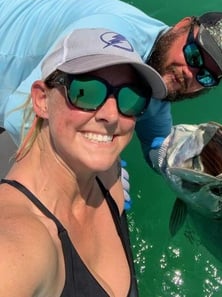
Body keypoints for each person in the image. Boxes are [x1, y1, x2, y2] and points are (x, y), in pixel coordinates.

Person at [0, 27, 167, 297]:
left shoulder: (106, 172)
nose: (112, 116)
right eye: (86, 91)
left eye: (131, 98)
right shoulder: (17, 246)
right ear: (42, 99)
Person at [0, 0, 222, 166]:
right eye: (194, 54)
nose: (191, 73)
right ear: (182, 26)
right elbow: (18, 118)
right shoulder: (111, 34)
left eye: (207, 76)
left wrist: (183, 160)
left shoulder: (157, 72)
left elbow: (157, 145)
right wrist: (100, 175)